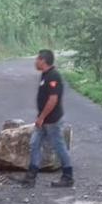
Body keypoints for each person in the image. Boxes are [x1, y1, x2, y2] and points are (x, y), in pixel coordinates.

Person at [24, 49, 74, 187]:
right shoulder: (45, 75)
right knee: (34, 144)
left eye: (37, 59)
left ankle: (68, 176)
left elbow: (53, 100)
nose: (35, 62)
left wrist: (42, 117)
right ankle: (31, 176)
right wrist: (41, 118)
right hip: (44, 119)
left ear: (43, 61)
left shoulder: (53, 76)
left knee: (59, 147)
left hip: (52, 120)